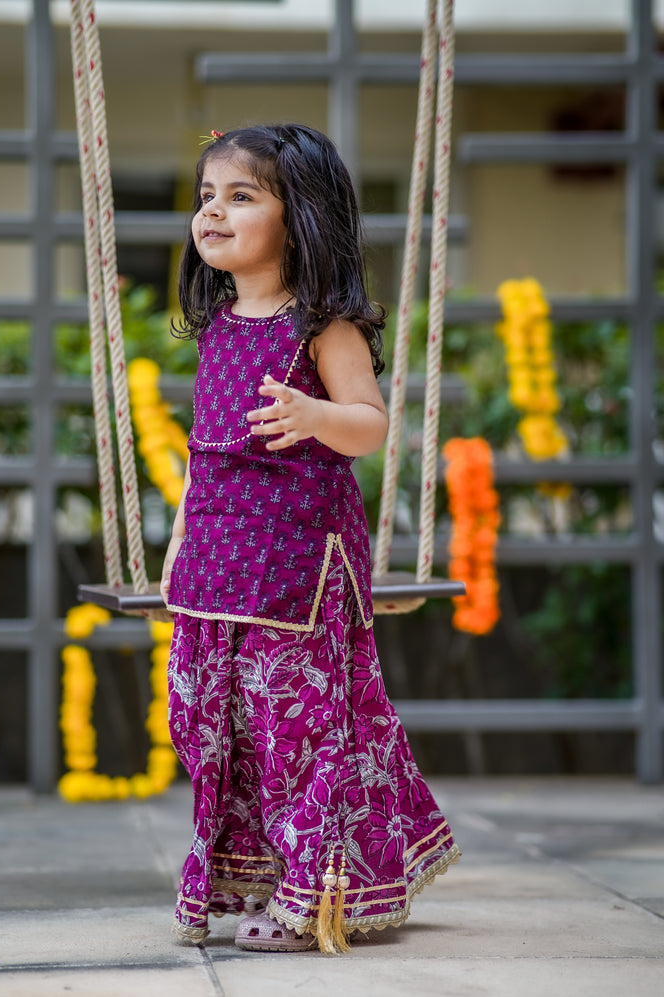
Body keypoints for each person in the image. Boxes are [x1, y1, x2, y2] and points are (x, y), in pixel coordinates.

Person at [161, 123, 460, 954]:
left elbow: (367, 425)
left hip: (297, 562)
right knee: (209, 716)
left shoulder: (324, 325)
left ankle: (314, 896)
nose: (213, 211)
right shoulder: (219, 325)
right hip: (218, 561)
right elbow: (204, 452)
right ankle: (245, 870)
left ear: (299, 218)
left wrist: (314, 415)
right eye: (206, 196)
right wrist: (179, 541)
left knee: (296, 726)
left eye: (240, 195)